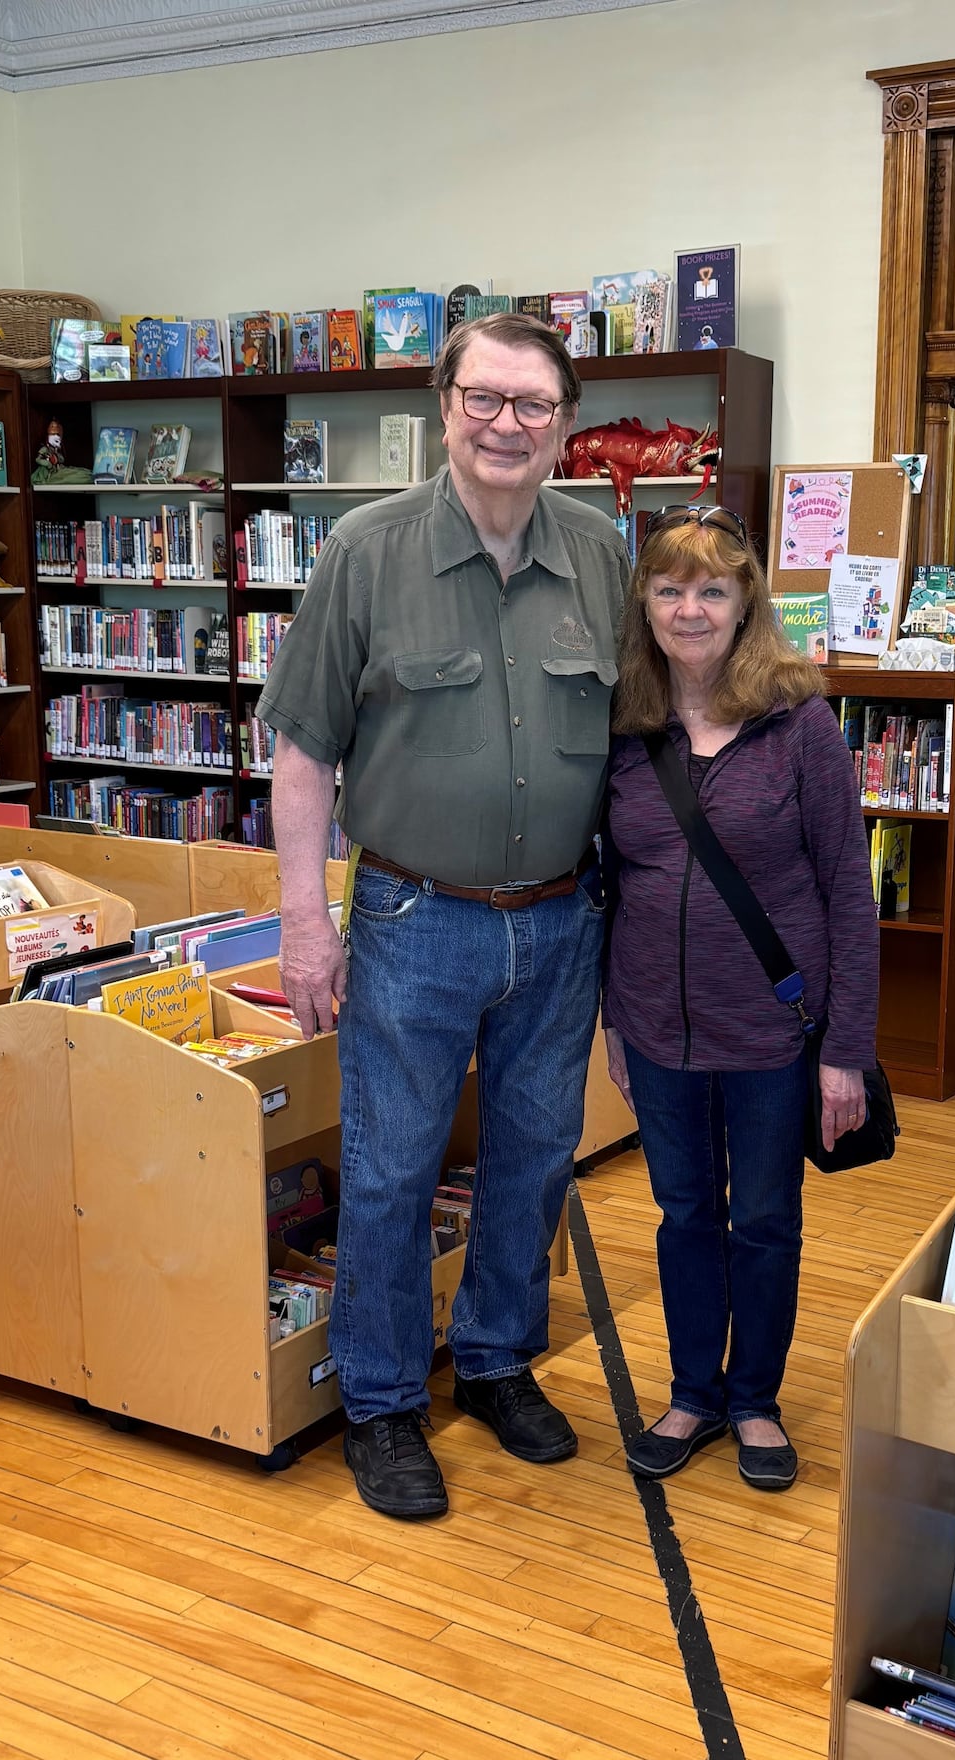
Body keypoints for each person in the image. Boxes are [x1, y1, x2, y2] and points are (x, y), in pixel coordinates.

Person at [259, 315, 629, 1522]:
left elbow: (643, 745)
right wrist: (305, 923)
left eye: (532, 404)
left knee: (531, 1163)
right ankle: (377, 1399)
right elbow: (304, 754)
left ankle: (494, 1362)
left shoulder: (601, 552)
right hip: (414, 918)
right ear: (446, 404)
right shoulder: (363, 553)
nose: (506, 424)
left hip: (563, 922)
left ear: (566, 421)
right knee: (387, 1171)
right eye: (484, 399)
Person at [601, 507, 879, 1492]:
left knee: (762, 1214)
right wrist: (611, 1022)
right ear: (644, 601)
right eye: (670, 587)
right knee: (683, 1214)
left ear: (744, 602)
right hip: (656, 1026)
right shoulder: (623, 723)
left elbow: (849, 890)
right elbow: (609, 880)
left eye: (711, 589)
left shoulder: (799, 723)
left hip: (773, 1029)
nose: (689, 607)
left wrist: (845, 1048)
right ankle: (692, 1391)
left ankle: (754, 1397)